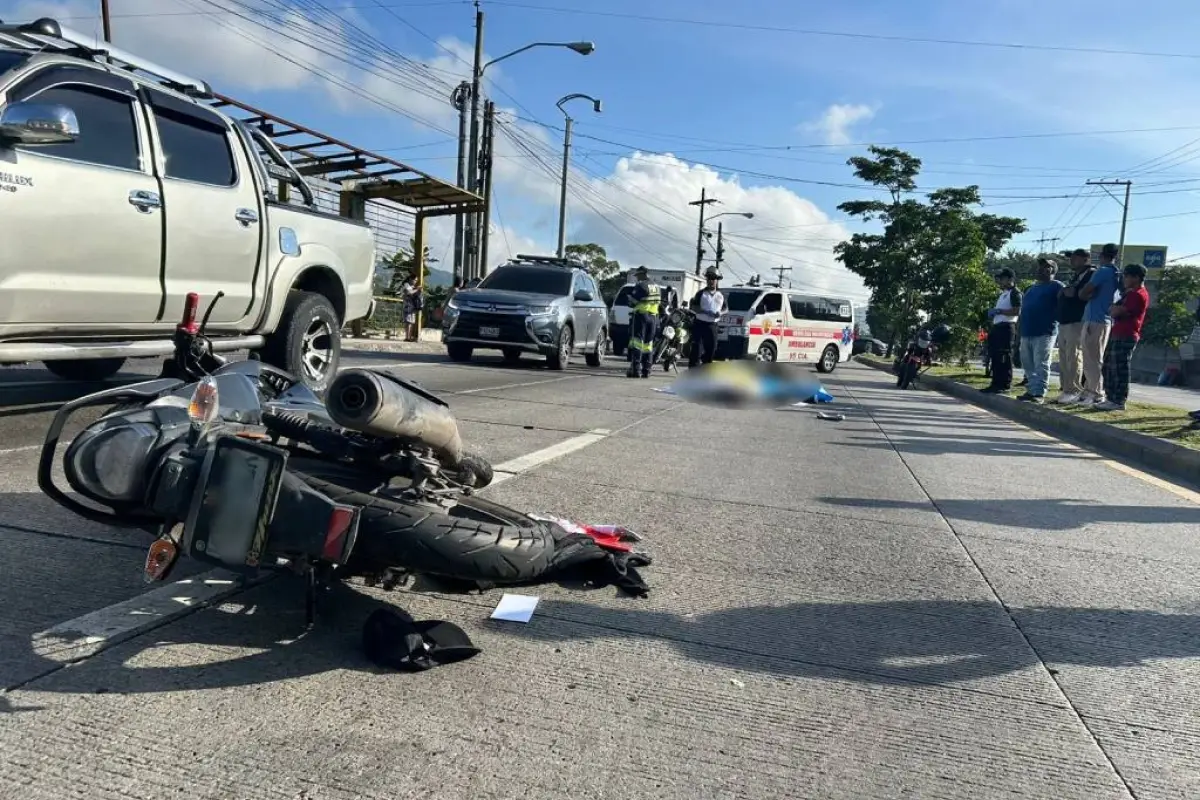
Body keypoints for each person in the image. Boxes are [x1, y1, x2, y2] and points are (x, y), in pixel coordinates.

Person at [1095, 264, 1150, 412]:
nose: (1123, 279)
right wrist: (1115, 309)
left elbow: (1116, 311)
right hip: (1118, 332)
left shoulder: (1137, 294)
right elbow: (1112, 309)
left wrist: (1115, 309)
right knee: (1108, 366)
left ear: (1136, 277)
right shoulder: (1128, 293)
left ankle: (1118, 400)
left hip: (1126, 334)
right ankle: (1111, 397)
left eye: (1126, 276)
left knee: (1119, 368)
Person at [1076, 243, 1122, 406]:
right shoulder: (1116, 272)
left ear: (1103, 256)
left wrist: (1085, 294)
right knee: (1091, 357)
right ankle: (1089, 389)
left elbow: (1084, 292)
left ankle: (1096, 392)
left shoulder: (1104, 271)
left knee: (1092, 358)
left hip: (1096, 319)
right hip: (1102, 319)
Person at [1017, 257, 1065, 403]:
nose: (1041, 269)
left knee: (1041, 363)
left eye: (1046, 267)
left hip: (1045, 330)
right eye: (1040, 266)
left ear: (1053, 270)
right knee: (1027, 363)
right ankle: (1031, 390)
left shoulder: (1057, 286)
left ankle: (1039, 392)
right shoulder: (1031, 288)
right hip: (1027, 331)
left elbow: (1064, 304)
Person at [1053, 248, 1096, 404]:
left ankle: (1074, 390)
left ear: (1085, 259)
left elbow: (1078, 294)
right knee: (1064, 357)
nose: (1071, 261)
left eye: (1075, 258)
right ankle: (1066, 389)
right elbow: (1067, 292)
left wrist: (1071, 292)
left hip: (1077, 320)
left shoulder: (1091, 274)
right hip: (1065, 321)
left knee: (1074, 356)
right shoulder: (1076, 276)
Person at [981, 268, 1021, 394]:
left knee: (1004, 356)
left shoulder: (1015, 293)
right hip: (998, 327)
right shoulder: (1003, 294)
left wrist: (999, 311)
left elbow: (1016, 311)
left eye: (1003, 278)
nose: (1000, 281)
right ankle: (995, 383)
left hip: (1007, 327)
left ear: (1010, 279)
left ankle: (1004, 384)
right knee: (995, 355)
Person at [626, 266, 661, 378]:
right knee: (648, 344)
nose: (637, 278)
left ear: (643, 274)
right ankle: (647, 370)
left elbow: (634, 302)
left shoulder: (641, 285)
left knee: (637, 343)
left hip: (642, 316)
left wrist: (630, 299)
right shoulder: (656, 286)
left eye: (638, 275)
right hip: (653, 317)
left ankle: (636, 370)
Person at [689, 267, 724, 367]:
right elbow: (693, 307)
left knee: (711, 349)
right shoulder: (701, 293)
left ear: (717, 280)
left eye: (713, 278)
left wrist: (720, 313)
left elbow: (726, 308)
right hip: (700, 324)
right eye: (709, 278)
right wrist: (705, 311)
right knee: (696, 349)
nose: (711, 281)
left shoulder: (720, 295)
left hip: (712, 325)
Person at [401, 276, 423, 343]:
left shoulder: (412, 287)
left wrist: (419, 291)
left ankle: (409, 337)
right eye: (415, 280)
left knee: (411, 322)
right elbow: (408, 292)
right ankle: (407, 337)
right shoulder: (406, 285)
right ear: (410, 279)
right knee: (408, 322)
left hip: (412, 306)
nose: (415, 281)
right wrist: (417, 289)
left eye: (416, 280)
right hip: (407, 306)